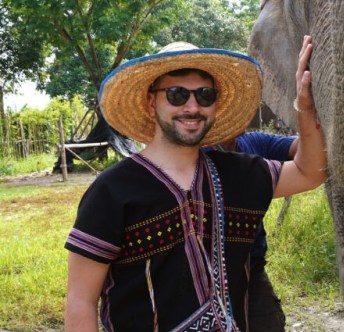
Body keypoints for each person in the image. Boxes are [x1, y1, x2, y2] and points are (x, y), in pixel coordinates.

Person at [63, 38, 327, 331]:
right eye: (176, 95)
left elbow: (309, 172)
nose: (192, 106)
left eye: (205, 95)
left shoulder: (239, 174)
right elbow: (81, 299)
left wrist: (304, 106)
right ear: (152, 103)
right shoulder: (112, 191)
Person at [206, 132, 298, 331]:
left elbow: (302, 153)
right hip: (205, 280)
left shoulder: (253, 142)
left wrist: (308, 117)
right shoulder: (196, 153)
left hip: (252, 273)